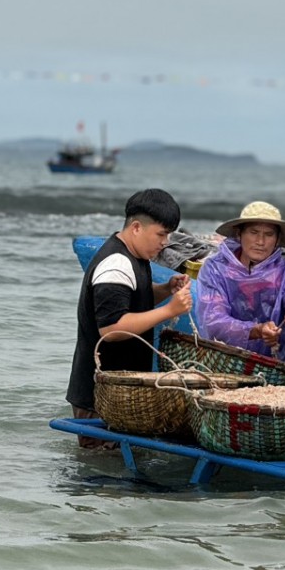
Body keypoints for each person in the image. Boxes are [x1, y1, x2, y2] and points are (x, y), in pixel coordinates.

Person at [67, 188, 193, 447]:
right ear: (136, 227)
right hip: (99, 395)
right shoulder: (116, 264)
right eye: (161, 234)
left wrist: (165, 289)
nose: (165, 242)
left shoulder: (135, 256)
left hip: (117, 393)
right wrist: (169, 311)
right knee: (102, 473)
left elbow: (134, 300)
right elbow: (112, 328)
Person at [196, 201, 285, 363]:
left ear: (277, 239)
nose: (260, 241)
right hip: (224, 361)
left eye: (269, 235)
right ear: (239, 234)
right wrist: (256, 330)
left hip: (278, 365)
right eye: (254, 232)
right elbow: (213, 321)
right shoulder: (215, 269)